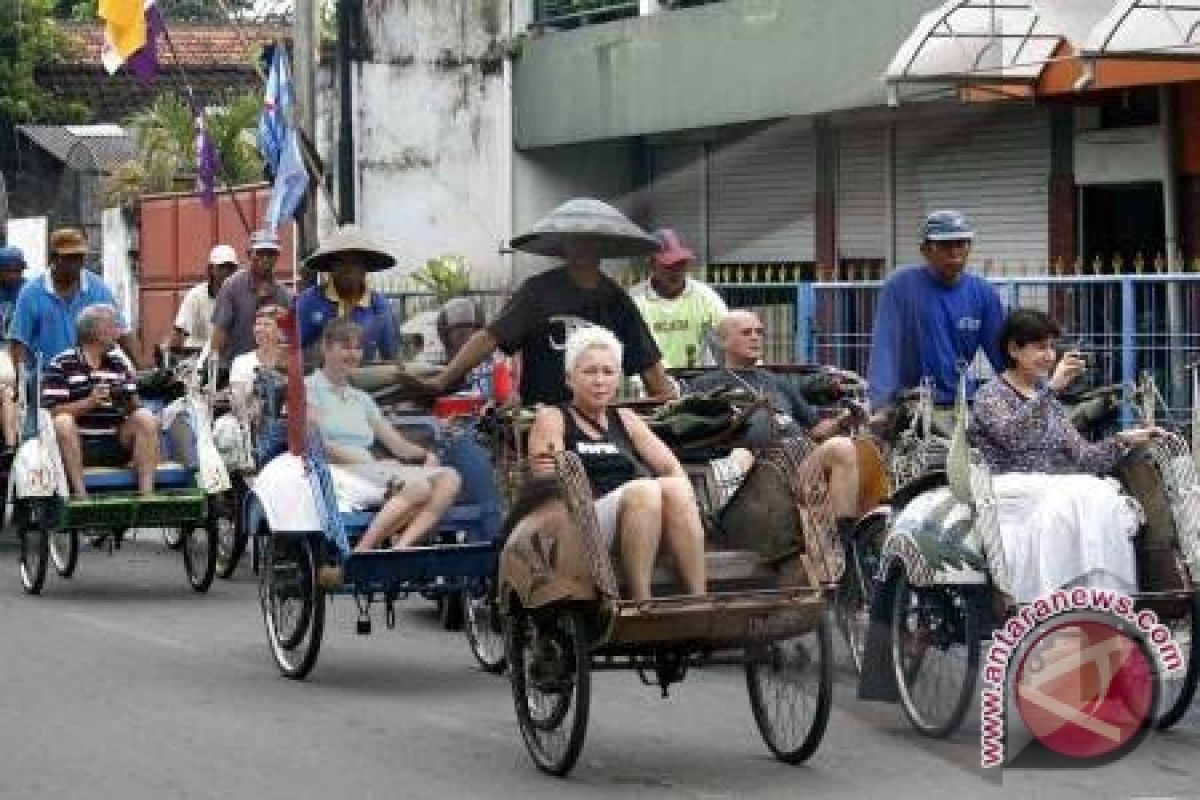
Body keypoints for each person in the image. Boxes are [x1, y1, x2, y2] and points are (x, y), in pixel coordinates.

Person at [969, 308, 1161, 603]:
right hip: (1005, 492)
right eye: (1040, 347)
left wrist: (1124, 440)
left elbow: (1085, 457)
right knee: (1076, 497)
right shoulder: (991, 395)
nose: (1049, 355)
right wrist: (1052, 390)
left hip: (1048, 488)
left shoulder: (1051, 404)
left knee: (1098, 494)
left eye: (1051, 346)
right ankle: (1047, 603)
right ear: (1013, 349)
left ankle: (1100, 601)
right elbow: (1012, 437)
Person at [408, 198, 675, 405]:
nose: (582, 246)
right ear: (563, 245)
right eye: (574, 240)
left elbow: (649, 366)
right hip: (543, 414)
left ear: (602, 246)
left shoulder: (617, 301)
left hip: (595, 418)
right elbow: (490, 337)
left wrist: (672, 413)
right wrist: (443, 380)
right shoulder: (537, 292)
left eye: (589, 240)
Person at [527, 325, 705, 600]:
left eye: (608, 372)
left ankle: (698, 599)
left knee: (677, 488)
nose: (599, 380)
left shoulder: (626, 419)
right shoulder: (553, 417)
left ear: (617, 378)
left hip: (643, 514)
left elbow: (670, 466)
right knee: (644, 489)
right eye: (589, 371)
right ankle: (641, 601)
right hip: (581, 522)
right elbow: (547, 478)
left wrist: (687, 506)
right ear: (569, 378)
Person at [691, 310, 861, 541]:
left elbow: (815, 430)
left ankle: (843, 544)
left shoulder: (778, 383)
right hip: (752, 478)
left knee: (843, 447)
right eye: (746, 333)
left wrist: (845, 420)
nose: (755, 338)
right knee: (742, 456)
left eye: (759, 332)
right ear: (723, 341)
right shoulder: (705, 386)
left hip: (798, 467)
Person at [307, 319, 462, 557]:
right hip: (335, 473)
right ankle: (361, 552)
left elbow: (397, 445)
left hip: (371, 472)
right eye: (345, 346)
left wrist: (425, 455)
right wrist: (369, 464)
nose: (354, 354)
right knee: (419, 487)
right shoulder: (310, 388)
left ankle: (400, 549)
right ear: (326, 348)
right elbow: (316, 443)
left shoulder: (361, 398)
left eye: (358, 348)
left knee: (450, 478)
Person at [867, 210, 1005, 413]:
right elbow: (885, 349)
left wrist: (1030, 396)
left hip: (960, 403)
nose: (955, 252)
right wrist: (880, 405)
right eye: (945, 245)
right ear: (925, 250)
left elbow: (1003, 355)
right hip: (909, 404)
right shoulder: (901, 286)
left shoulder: (983, 293)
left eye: (961, 244)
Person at [41, 305, 161, 498]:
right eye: (114, 326)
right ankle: (81, 495)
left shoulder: (118, 363)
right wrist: (90, 402)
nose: (119, 332)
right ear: (97, 332)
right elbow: (52, 411)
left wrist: (124, 398)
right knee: (62, 422)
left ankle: (147, 495)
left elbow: (135, 406)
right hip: (77, 445)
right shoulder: (61, 363)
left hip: (115, 441)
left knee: (145, 417)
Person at [9, 227, 145, 373]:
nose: (76, 263)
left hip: (90, 379)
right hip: (48, 381)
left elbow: (122, 333)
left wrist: (142, 370)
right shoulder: (31, 293)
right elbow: (19, 343)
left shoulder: (97, 288)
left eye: (79, 257)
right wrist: (21, 386)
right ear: (54, 258)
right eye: (69, 258)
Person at [296, 224, 399, 363]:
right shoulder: (310, 301)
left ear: (364, 269)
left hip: (363, 380)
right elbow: (293, 347)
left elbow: (390, 358)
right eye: (341, 263)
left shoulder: (381, 307)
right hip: (319, 378)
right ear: (331, 267)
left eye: (354, 263)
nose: (347, 270)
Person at [629, 228, 727, 368]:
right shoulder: (634, 300)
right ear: (651, 263)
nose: (676, 271)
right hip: (650, 382)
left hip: (698, 379)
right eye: (669, 265)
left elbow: (729, 332)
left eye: (681, 263)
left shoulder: (705, 296)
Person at [210, 229, 292, 365]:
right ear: (249, 255)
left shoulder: (284, 295)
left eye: (270, 254)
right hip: (232, 369)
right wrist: (213, 368)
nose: (265, 258)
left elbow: (287, 339)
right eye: (260, 253)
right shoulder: (232, 286)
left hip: (270, 371)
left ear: (277, 257)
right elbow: (220, 331)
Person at [171, 244, 238, 350]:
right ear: (210, 269)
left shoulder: (241, 295)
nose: (227, 272)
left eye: (231, 267)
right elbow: (179, 332)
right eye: (222, 267)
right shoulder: (196, 295)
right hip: (197, 356)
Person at [0, 245, 28, 449]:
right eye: (7, 270)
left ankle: (12, 445)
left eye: (16, 270)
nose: (12, 274)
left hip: (21, 349)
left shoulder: (29, 291)